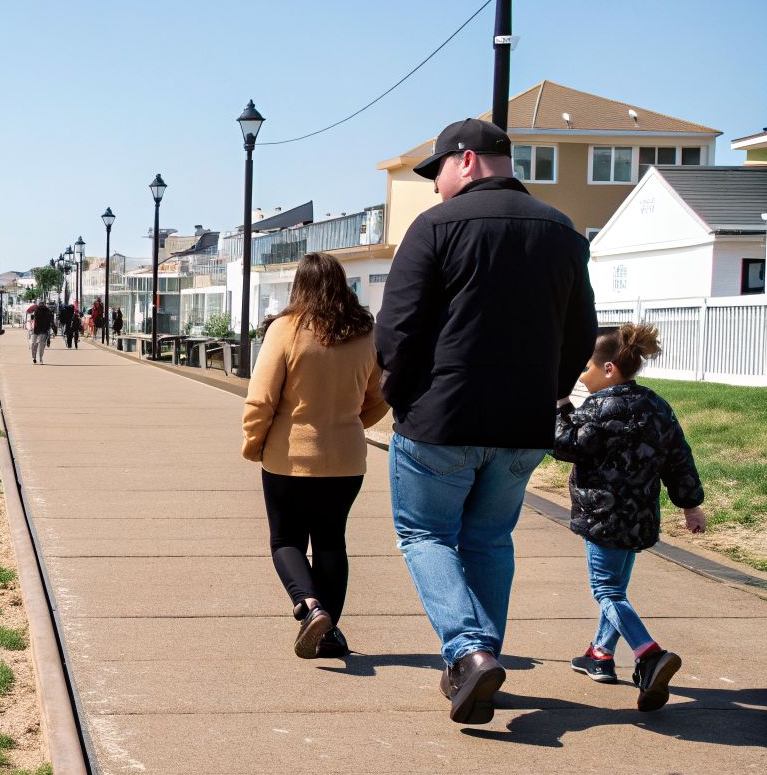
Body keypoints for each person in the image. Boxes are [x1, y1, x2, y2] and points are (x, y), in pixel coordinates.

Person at [377, 118, 597, 725]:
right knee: (490, 540)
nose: (436, 186)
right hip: (523, 424)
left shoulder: (436, 228)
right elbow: (580, 334)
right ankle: (482, 662)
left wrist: (404, 398)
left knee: (425, 535)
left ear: (466, 161)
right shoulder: (561, 232)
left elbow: (396, 330)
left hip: (441, 418)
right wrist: (548, 394)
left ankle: (468, 652)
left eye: (438, 172)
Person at [242, 253, 388, 659]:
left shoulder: (286, 329)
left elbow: (261, 399)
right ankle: (328, 633)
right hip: (345, 460)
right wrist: (351, 423)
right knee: (330, 542)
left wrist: (254, 443)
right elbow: (379, 398)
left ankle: (310, 606)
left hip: (289, 456)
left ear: (299, 287)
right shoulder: (365, 334)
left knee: (285, 539)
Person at [552, 324, 705, 711]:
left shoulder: (598, 408)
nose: (581, 374)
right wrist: (690, 504)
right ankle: (600, 654)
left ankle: (648, 654)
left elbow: (568, 445)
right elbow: (678, 458)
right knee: (616, 589)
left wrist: (560, 407)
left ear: (608, 370)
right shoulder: (656, 406)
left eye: (586, 366)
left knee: (606, 591)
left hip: (603, 516)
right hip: (639, 517)